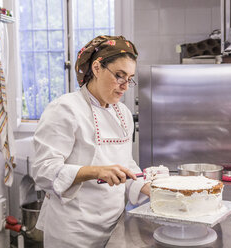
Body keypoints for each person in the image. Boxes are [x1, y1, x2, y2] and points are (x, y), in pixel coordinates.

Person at [32, 35, 150, 248]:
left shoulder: (122, 112)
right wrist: (95, 171)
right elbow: (43, 170)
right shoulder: (65, 109)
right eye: (119, 76)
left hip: (113, 223)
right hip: (74, 230)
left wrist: (151, 188)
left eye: (130, 78)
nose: (125, 86)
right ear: (96, 68)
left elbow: (126, 165)